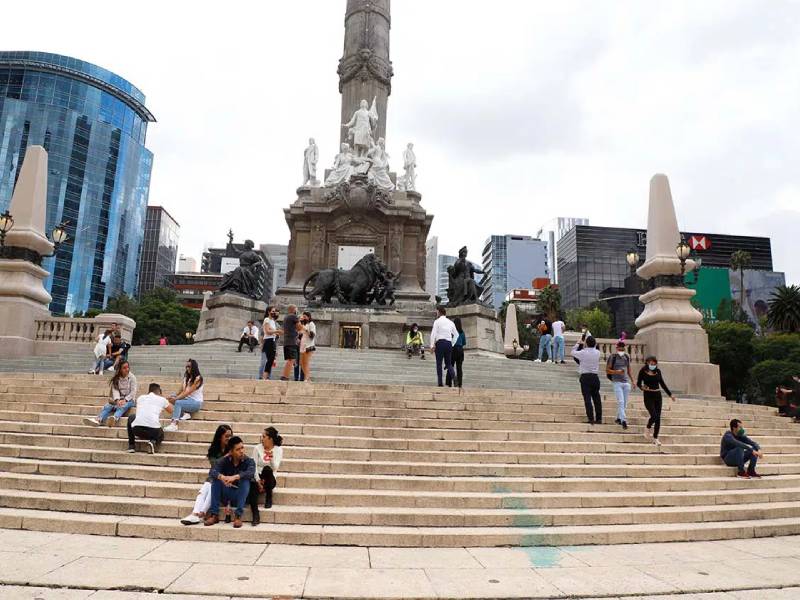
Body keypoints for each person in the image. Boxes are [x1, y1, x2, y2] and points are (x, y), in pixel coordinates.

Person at [181, 425, 233, 525]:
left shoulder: (233, 448)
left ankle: (199, 514)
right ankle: (196, 513)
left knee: (212, 488)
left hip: (226, 480)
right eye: (226, 436)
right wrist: (226, 456)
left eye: (230, 436)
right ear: (220, 437)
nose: (229, 438)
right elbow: (215, 466)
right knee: (203, 491)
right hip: (214, 477)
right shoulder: (214, 450)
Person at [204, 436, 255, 528]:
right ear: (231, 452)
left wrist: (235, 477)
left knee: (245, 480)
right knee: (216, 479)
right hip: (226, 493)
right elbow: (212, 471)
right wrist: (222, 477)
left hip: (241, 495)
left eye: (242, 447)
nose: (241, 451)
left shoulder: (249, 461)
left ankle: (238, 516)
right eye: (238, 449)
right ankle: (214, 515)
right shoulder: (225, 460)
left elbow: (251, 473)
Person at [83, 360, 138, 427]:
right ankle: (98, 419)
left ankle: (114, 418)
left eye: (127, 367)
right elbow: (115, 391)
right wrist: (117, 400)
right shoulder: (116, 378)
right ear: (120, 369)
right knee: (108, 406)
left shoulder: (132, 377)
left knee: (122, 406)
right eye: (124, 368)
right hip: (119, 399)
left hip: (130, 400)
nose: (127, 369)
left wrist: (125, 400)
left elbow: (133, 392)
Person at [248, 426, 284, 526]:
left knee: (267, 469)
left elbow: (275, 468)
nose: (262, 439)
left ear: (270, 439)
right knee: (251, 482)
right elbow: (253, 466)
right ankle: (255, 514)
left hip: (270, 478)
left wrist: (271, 457)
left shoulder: (278, 450)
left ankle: (269, 496)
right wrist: (258, 480)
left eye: (264, 437)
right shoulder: (257, 448)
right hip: (258, 476)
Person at [636, 356, 676, 446]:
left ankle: (655, 438)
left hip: (657, 395)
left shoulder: (658, 371)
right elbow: (638, 383)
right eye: (651, 363)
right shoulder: (643, 371)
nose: (653, 365)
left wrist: (670, 394)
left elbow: (662, 383)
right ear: (647, 363)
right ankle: (648, 427)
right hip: (648, 395)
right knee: (653, 415)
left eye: (654, 364)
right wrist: (642, 387)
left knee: (658, 418)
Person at [126, 383, 172, 453]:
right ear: (159, 391)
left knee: (131, 417)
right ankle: (152, 442)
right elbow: (171, 411)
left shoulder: (140, 398)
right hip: (153, 431)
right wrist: (163, 398)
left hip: (137, 430)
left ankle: (131, 446)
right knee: (161, 433)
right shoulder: (162, 399)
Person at [164, 359, 204, 432]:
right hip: (186, 400)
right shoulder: (186, 378)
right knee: (171, 399)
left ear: (194, 367)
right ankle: (185, 413)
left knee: (178, 402)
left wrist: (176, 399)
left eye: (189, 366)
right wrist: (171, 396)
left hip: (195, 403)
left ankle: (174, 424)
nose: (187, 368)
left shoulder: (198, 378)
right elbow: (180, 391)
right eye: (186, 367)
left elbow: (187, 392)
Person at [572, 336, 602, 424]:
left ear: (586, 343)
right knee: (597, 398)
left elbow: (573, 352)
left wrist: (578, 343)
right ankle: (599, 418)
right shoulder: (598, 353)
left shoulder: (583, 352)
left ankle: (591, 418)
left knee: (587, 398)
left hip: (585, 377)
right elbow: (596, 348)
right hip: (595, 377)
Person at [607, 341, 634, 429]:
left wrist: (633, 381)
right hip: (616, 382)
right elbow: (607, 370)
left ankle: (618, 418)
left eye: (623, 348)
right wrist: (616, 371)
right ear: (617, 348)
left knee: (625, 403)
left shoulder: (626, 356)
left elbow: (629, 370)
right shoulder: (612, 357)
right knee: (621, 401)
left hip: (625, 382)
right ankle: (623, 420)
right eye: (620, 348)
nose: (621, 350)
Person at [430, 306, 458, 387]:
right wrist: (452, 344)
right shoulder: (451, 322)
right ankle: (454, 377)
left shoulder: (437, 321)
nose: (436, 313)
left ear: (439, 312)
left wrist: (432, 345)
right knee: (448, 363)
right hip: (448, 343)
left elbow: (433, 334)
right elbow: (456, 335)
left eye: (437, 312)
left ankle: (440, 382)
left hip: (440, 343)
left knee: (439, 363)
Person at [260, 307, 282, 380]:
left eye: (274, 311)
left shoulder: (272, 321)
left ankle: (265, 377)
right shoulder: (267, 319)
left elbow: (272, 330)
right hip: (268, 340)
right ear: (269, 312)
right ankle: (264, 377)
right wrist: (277, 332)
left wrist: (277, 332)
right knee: (270, 360)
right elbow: (267, 331)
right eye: (273, 311)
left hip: (272, 341)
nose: (274, 312)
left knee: (271, 359)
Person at [280, 305, 301, 382]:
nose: (297, 311)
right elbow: (299, 327)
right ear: (294, 310)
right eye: (296, 309)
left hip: (287, 341)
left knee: (289, 359)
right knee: (291, 359)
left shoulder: (286, 317)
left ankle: (284, 375)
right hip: (292, 341)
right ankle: (285, 376)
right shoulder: (293, 316)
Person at [446, 317, 466, 388]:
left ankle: (449, 383)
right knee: (459, 368)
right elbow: (464, 343)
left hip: (453, 349)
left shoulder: (452, 331)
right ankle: (460, 383)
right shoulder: (462, 332)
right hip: (460, 350)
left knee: (450, 365)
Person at [299, 311, 316, 383]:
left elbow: (312, 335)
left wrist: (305, 329)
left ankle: (307, 378)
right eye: (303, 317)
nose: (304, 318)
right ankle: (307, 377)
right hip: (302, 345)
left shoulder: (311, 324)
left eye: (305, 317)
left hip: (308, 346)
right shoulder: (303, 324)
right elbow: (300, 336)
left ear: (308, 317)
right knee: (301, 363)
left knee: (306, 362)